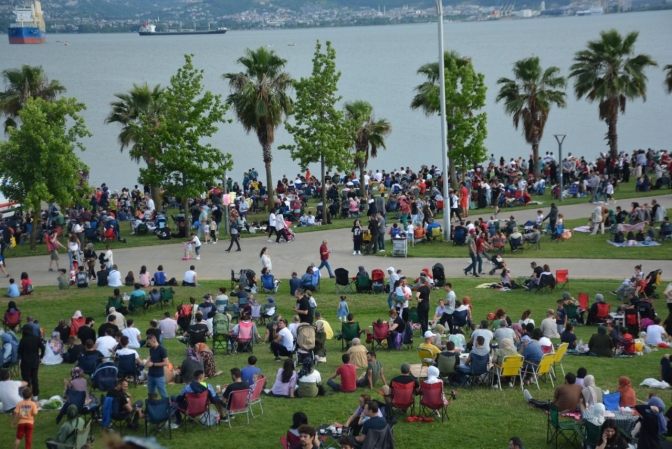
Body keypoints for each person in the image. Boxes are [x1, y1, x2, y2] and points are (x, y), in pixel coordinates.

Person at [18, 324, 45, 401]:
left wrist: (20, 358)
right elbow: (43, 347)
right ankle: (36, 395)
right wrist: (41, 357)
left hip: (25, 362)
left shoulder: (23, 340)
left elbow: (19, 351)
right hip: (35, 361)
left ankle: (27, 395)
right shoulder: (36, 338)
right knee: (34, 378)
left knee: (26, 379)